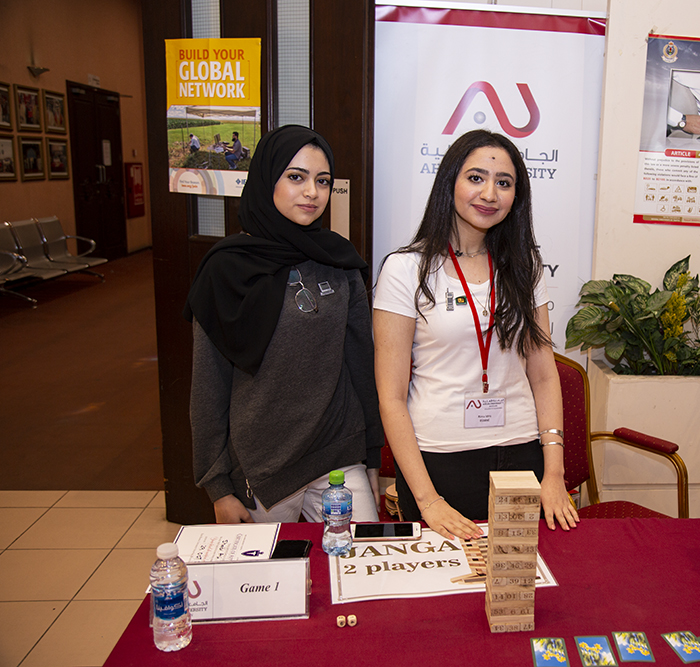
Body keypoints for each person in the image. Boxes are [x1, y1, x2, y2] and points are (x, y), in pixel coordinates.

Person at [373, 129, 579, 540]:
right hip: (438, 460)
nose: (489, 194)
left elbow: (543, 374)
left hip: (522, 453)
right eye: (475, 178)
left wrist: (554, 472)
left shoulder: (524, 267)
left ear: (516, 196)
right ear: (450, 182)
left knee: (523, 576)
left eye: (504, 182)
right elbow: (391, 397)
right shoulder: (405, 269)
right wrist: (428, 500)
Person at [184, 125, 383, 524]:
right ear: (267, 179)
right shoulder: (226, 269)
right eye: (296, 177)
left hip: (338, 453)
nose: (312, 192)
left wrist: (372, 456)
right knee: (270, 567)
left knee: (358, 557)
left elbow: (361, 364)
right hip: (262, 468)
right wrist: (218, 487)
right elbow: (209, 384)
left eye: (322, 181)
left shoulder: (339, 259)